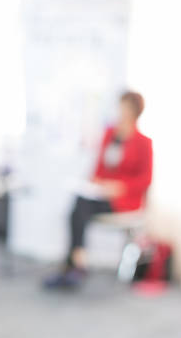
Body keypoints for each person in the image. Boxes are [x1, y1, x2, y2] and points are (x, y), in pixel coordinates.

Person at [45, 91, 153, 289]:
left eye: (126, 107)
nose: (121, 111)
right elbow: (99, 169)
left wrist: (121, 187)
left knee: (80, 208)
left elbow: (146, 179)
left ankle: (74, 264)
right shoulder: (110, 134)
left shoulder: (144, 142)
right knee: (79, 204)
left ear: (135, 111)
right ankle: (76, 262)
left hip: (125, 200)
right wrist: (96, 182)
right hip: (101, 194)